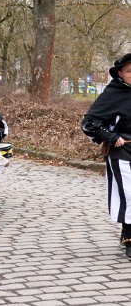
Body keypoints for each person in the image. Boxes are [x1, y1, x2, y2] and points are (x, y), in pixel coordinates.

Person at [82, 53, 131, 260]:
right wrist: (111, 137)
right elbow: (89, 123)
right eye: (129, 71)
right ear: (120, 73)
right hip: (122, 151)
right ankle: (130, 237)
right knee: (129, 195)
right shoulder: (113, 93)